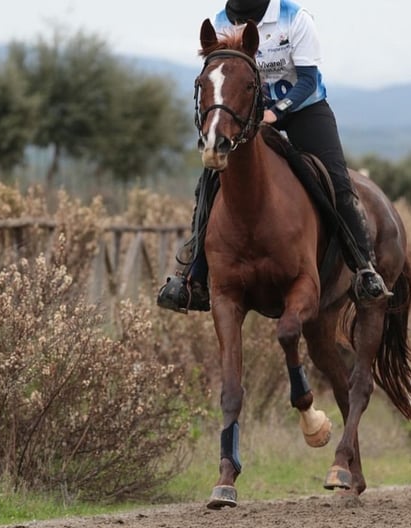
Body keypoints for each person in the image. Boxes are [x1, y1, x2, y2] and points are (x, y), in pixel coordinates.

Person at [157, 0, 387, 313]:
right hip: (248, 114)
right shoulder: (221, 21)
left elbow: (307, 78)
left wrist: (276, 112)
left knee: (337, 182)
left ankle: (364, 269)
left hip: (305, 109)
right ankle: (191, 279)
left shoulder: (295, 18)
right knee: (210, 182)